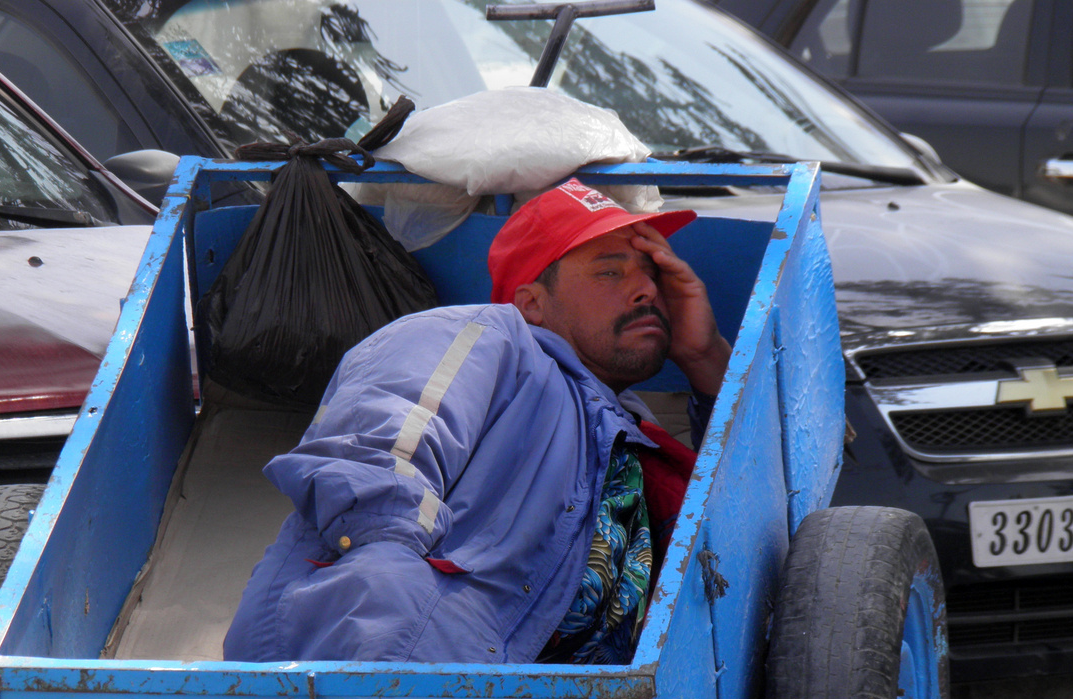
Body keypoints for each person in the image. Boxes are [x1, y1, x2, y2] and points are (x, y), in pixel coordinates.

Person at [223, 178, 731, 665]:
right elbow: (382, 450)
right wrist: (396, 605)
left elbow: (742, 526)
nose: (646, 290)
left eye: (653, 275)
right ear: (531, 302)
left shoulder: (632, 431)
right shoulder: (487, 335)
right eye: (610, 272)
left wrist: (705, 357)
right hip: (405, 672)